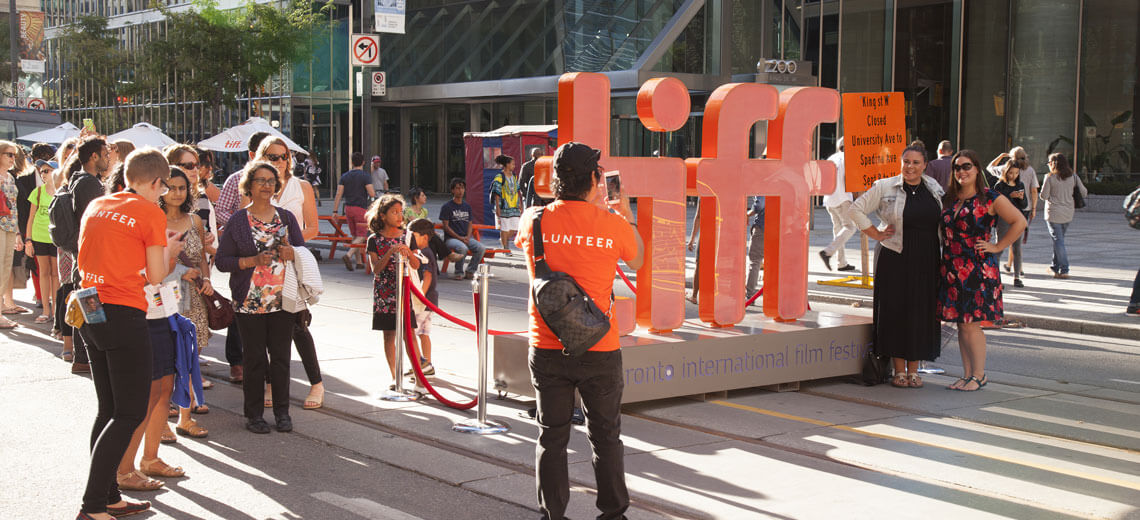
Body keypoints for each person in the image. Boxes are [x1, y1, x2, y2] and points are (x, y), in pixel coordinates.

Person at [515, 141, 643, 520]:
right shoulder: (613, 224)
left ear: (555, 179)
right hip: (599, 345)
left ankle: (553, 513)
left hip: (546, 343)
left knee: (551, 435)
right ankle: (613, 513)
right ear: (594, 178)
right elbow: (637, 257)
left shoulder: (532, 220)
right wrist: (622, 211)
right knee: (606, 436)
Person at [75, 147, 173, 520]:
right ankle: (93, 505)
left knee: (109, 410)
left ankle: (108, 494)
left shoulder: (98, 205)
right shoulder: (150, 212)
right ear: (156, 182)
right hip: (123, 309)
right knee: (130, 412)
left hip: (89, 306)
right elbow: (156, 276)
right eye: (163, 188)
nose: (162, 194)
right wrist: (171, 251)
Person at [216, 161, 306, 434]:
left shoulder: (287, 217)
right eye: (260, 181)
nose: (266, 185)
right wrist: (251, 260)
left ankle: (282, 412)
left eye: (271, 181)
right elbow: (222, 261)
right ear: (249, 186)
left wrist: (295, 254)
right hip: (249, 301)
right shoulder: (238, 220)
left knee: (280, 358)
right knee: (254, 360)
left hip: (283, 299)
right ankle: (254, 414)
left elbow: (303, 252)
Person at [848, 145, 945, 388]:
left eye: (915, 163)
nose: (910, 167)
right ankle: (899, 370)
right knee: (896, 311)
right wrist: (874, 233)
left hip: (927, 257)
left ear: (925, 165)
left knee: (921, 312)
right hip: (895, 255)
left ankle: (914, 370)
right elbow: (856, 209)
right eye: (906, 162)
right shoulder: (885, 186)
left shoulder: (934, 188)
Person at [939, 149, 1026, 391]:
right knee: (961, 323)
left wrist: (997, 246)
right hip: (951, 267)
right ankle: (968, 374)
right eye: (957, 168)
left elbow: (1020, 221)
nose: (961, 172)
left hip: (976, 269)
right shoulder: (951, 198)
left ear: (977, 169)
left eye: (966, 166)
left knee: (971, 324)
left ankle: (979, 375)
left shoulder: (990, 197)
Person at [258, 137, 325, 410]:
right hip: (262, 267)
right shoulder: (255, 188)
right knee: (264, 330)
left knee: (298, 327)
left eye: (283, 156)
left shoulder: (302, 187)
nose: (280, 162)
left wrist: (291, 243)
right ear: (262, 158)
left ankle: (317, 384)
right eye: (273, 157)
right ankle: (271, 383)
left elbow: (313, 227)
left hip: (291, 266)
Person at [158, 166, 213, 433]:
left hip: (194, 296)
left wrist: (207, 279)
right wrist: (182, 271)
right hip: (165, 296)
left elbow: (202, 256)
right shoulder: (153, 220)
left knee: (191, 355)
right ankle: (163, 416)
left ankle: (185, 415)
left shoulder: (195, 221)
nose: (177, 193)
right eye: (171, 187)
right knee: (166, 356)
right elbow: (152, 263)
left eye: (182, 188)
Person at [214, 131, 269, 383]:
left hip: (272, 266)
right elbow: (221, 210)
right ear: (251, 155)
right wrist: (239, 225)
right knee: (241, 307)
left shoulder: (279, 182)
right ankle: (236, 361)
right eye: (266, 155)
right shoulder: (235, 180)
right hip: (242, 255)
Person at [366, 194, 420, 387]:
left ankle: (418, 376)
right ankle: (394, 376)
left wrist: (406, 251)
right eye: (394, 212)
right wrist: (389, 252)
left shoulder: (407, 236)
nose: (399, 216)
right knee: (389, 335)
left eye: (400, 212)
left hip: (404, 292)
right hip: (384, 294)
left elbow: (415, 264)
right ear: (382, 215)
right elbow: (376, 269)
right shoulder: (374, 240)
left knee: (409, 333)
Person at [1039, 153, 1087, 279]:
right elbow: (1084, 192)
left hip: (1053, 213)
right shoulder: (1074, 177)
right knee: (1059, 240)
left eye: (1049, 162)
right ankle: (1054, 267)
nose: (1048, 165)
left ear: (1053, 164)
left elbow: (1043, 196)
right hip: (1068, 213)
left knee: (1058, 241)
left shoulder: (1049, 177)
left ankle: (1064, 269)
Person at [24, 159, 58, 325]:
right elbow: (30, 218)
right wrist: (28, 240)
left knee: (56, 274)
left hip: (56, 238)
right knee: (43, 273)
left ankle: (57, 311)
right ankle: (46, 310)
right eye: (42, 171)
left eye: (47, 170)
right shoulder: (37, 192)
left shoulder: (62, 191)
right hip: (39, 237)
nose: (43, 174)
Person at [331, 151, 376, 271]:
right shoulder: (365, 176)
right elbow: (371, 193)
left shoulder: (345, 176)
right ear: (363, 162)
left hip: (348, 208)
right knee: (362, 234)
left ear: (351, 162)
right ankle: (348, 254)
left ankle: (359, 262)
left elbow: (338, 194)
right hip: (360, 207)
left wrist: (335, 210)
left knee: (355, 234)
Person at [405, 218, 438, 376]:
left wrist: (420, 296)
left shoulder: (424, 253)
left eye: (413, 236)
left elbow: (428, 276)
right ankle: (426, 364)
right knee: (423, 333)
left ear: (424, 237)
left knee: (412, 333)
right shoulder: (425, 252)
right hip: (428, 301)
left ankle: (422, 363)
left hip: (423, 301)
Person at [819, 137, 857, 272]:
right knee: (850, 227)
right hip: (843, 198)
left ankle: (841, 263)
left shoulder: (831, 158)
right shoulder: (848, 159)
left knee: (838, 231)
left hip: (829, 199)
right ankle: (828, 252)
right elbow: (849, 179)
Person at [992, 160, 1030, 287]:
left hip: (1017, 219)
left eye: (1016, 173)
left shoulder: (1020, 184)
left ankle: (1017, 277)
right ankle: (996, 278)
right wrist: (1010, 195)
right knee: (1000, 247)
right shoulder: (999, 186)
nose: (1013, 175)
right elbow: (997, 203)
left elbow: (1024, 205)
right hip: (1003, 220)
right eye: (1011, 173)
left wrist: (1021, 198)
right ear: (1006, 172)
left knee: (1017, 248)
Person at [439, 178, 485, 280]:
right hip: (451, 239)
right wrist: (459, 238)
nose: (460, 191)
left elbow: (470, 224)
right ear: (452, 190)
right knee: (462, 248)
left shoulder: (467, 206)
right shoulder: (447, 207)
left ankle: (470, 271)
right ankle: (458, 272)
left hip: (465, 237)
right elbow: (446, 226)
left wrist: (468, 237)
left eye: (462, 188)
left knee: (481, 248)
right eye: (457, 188)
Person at [0, 141, 23, 328]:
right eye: (9, 154)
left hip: (9, 226)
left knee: (6, 269)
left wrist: (17, 233)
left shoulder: (10, 177)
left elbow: (13, 206)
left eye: (13, 155)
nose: (12, 158)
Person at [490, 154, 522, 252]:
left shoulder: (514, 176)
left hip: (514, 206)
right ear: (507, 165)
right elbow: (496, 192)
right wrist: (498, 208)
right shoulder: (500, 177)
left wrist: (520, 203)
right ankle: (505, 248)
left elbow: (517, 190)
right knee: (504, 227)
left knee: (514, 228)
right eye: (512, 164)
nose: (514, 165)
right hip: (503, 206)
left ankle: (504, 239)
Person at [745, 196, 765, 300]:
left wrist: (747, 214)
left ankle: (750, 295)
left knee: (755, 261)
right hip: (781, 228)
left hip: (762, 228)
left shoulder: (764, 185)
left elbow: (760, 205)